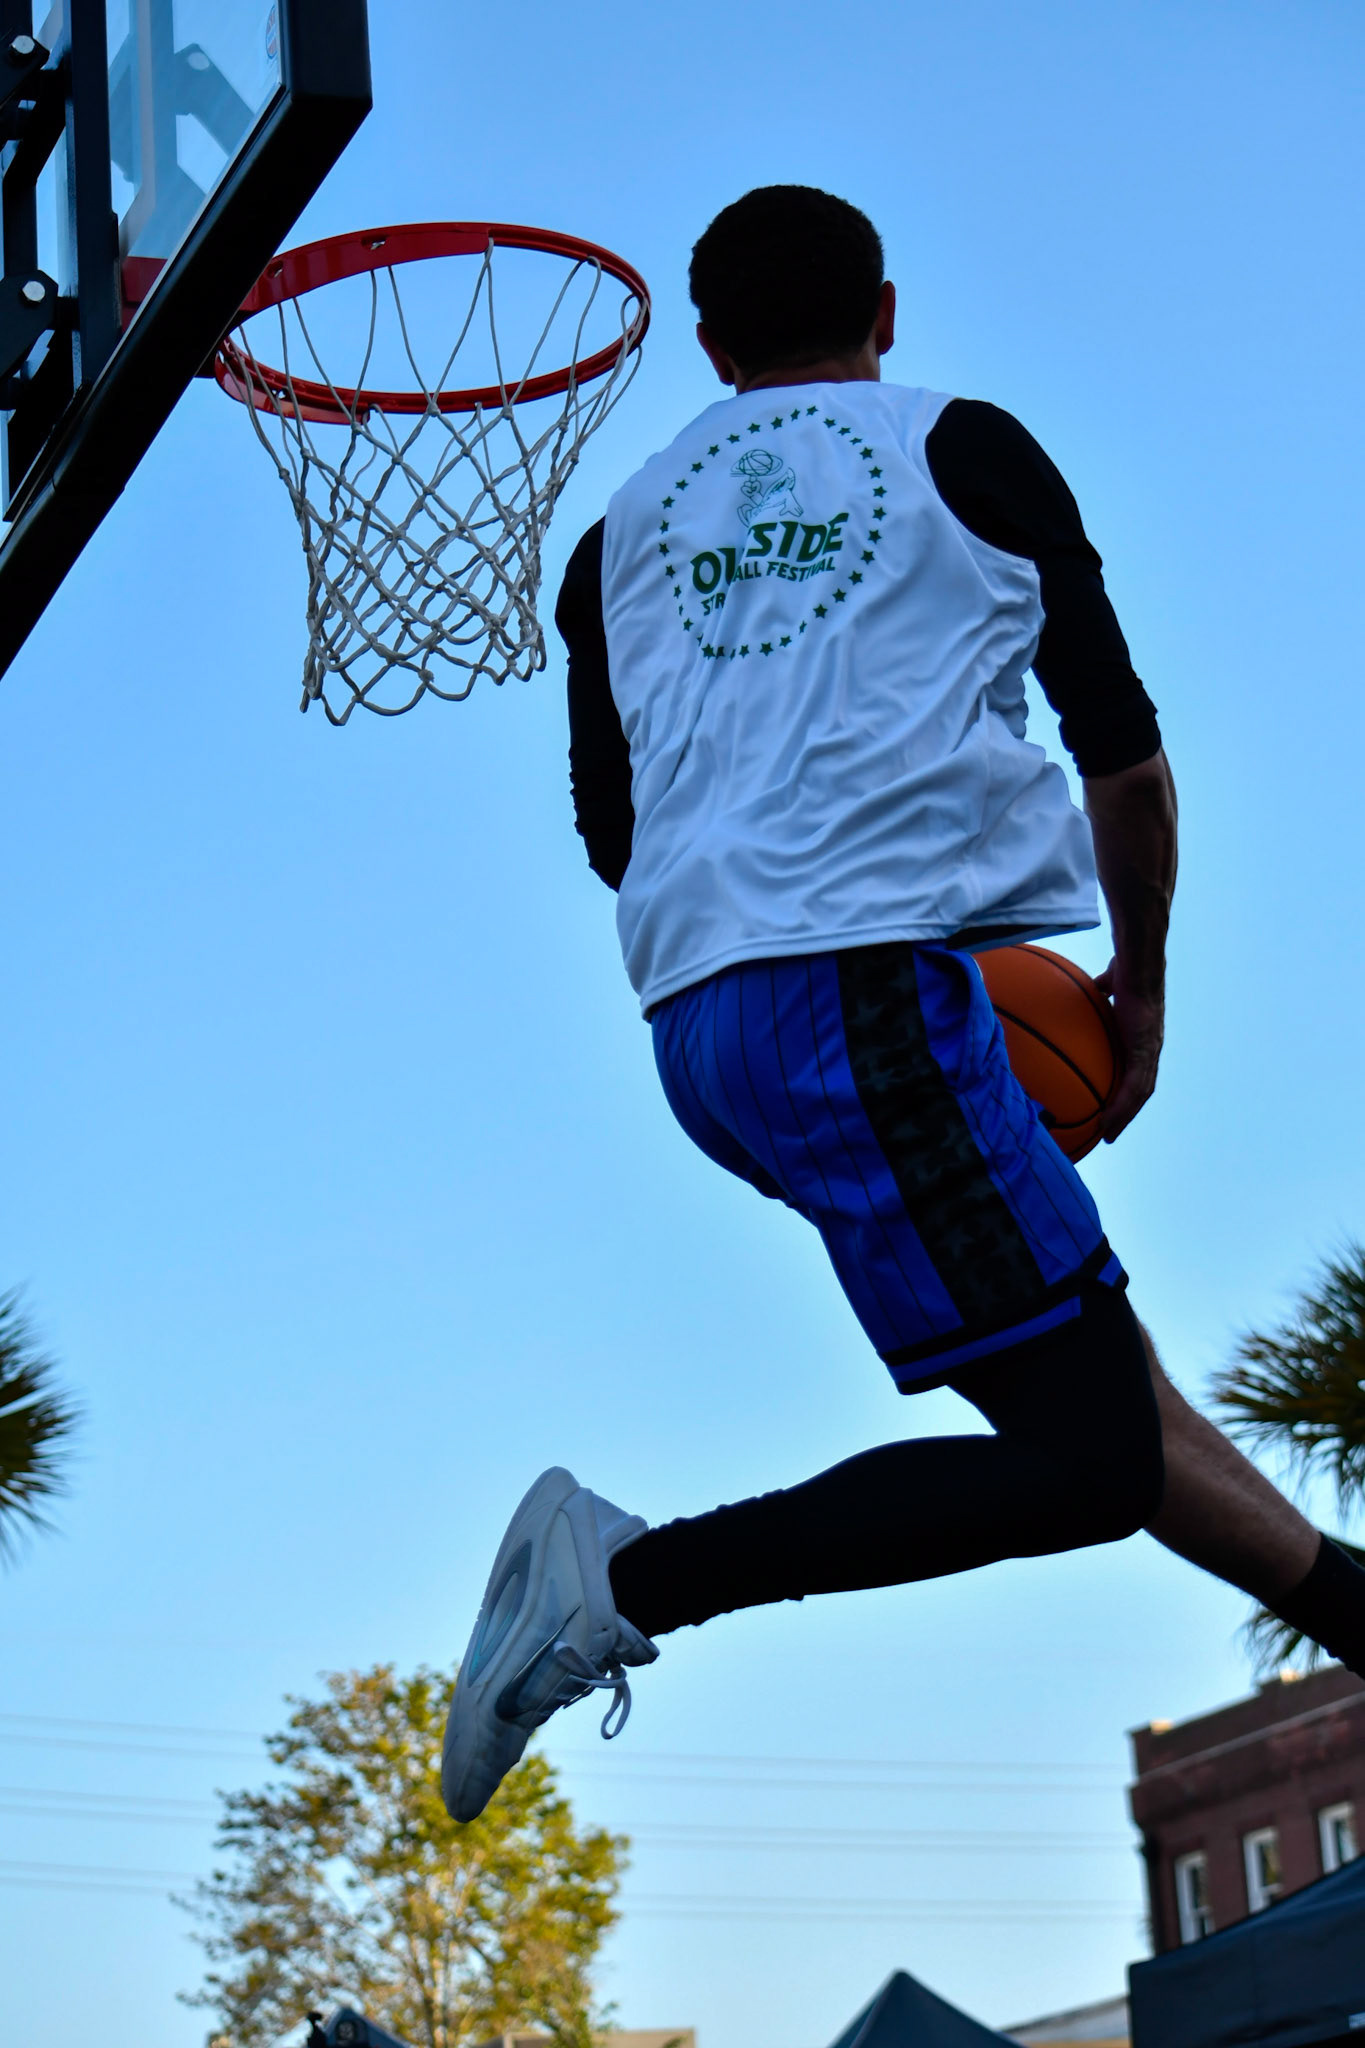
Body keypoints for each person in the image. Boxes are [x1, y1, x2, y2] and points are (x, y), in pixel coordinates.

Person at [441, 185, 1365, 1824]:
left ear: (711, 347)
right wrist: (1139, 988)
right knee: (1085, 1463)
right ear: (882, 311)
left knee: (1100, 1398)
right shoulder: (960, 445)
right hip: (862, 1003)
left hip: (701, 1035)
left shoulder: (613, 542)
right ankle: (629, 1579)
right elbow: (1121, 758)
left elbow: (615, 838)